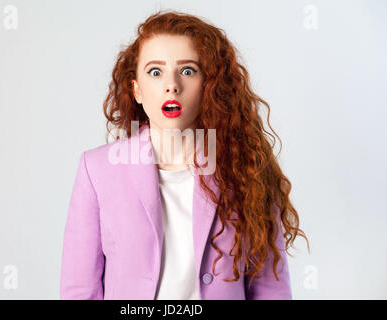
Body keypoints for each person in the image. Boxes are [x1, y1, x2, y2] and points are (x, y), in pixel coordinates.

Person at [60, 9, 310, 300]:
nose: (172, 85)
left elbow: (270, 290)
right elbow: (79, 291)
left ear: (209, 85)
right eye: (156, 72)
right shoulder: (97, 170)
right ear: (137, 90)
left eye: (187, 70)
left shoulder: (246, 168)